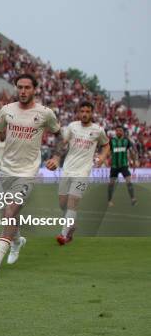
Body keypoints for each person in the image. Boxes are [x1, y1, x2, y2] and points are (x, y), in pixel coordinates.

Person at [0, 74, 61, 276]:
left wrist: (57, 157)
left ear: (35, 89)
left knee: (10, 212)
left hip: (27, 173)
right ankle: (16, 241)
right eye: (20, 87)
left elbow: (59, 135)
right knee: (5, 214)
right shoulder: (7, 110)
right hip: (6, 171)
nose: (23, 91)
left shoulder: (45, 113)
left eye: (27, 87)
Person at [56, 101, 109, 245]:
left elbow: (106, 145)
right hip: (67, 170)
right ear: (78, 112)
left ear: (92, 113)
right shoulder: (72, 127)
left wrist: (102, 157)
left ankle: (64, 235)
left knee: (73, 202)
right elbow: (63, 143)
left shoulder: (98, 130)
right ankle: (71, 226)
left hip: (83, 172)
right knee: (62, 203)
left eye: (88, 111)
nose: (85, 114)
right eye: (82, 111)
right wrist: (56, 157)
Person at [107, 126, 138, 207]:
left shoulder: (126, 141)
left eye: (120, 130)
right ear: (115, 132)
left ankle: (133, 199)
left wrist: (134, 163)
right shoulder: (112, 141)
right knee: (111, 184)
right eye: (117, 130)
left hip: (124, 165)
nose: (118, 132)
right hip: (114, 166)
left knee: (129, 181)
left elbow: (132, 152)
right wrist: (105, 159)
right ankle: (109, 200)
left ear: (123, 132)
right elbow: (107, 151)